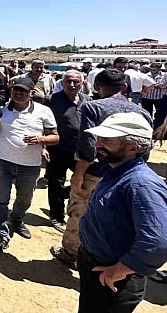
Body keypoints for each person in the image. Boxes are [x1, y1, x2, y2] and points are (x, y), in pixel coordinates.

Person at [51, 69, 152, 269]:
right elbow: (145, 148)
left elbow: (88, 145)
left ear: (97, 87)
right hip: (128, 174)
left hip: (96, 173)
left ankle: (70, 252)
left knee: (79, 212)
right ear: (124, 88)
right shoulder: (143, 112)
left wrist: (79, 174)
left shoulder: (92, 107)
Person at [76, 112, 167, 313]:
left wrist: (118, 271)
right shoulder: (116, 170)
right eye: (99, 138)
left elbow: (157, 243)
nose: (97, 144)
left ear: (133, 148)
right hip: (95, 266)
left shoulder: (141, 184)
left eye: (107, 140)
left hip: (115, 280)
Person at [0, 77, 59, 255]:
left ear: (31, 93)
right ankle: (2, 234)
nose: (18, 93)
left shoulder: (44, 111)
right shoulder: (1, 109)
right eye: (15, 89)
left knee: (25, 199)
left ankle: (16, 219)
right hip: (2, 162)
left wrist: (41, 140)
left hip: (29, 165)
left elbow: (55, 137)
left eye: (23, 90)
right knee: (0, 200)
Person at [46, 70, 88, 233]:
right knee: (56, 182)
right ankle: (56, 216)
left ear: (82, 83)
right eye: (68, 81)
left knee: (85, 180)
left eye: (76, 82)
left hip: (81, 150)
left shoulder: (87, 100)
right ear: (62, 83)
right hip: (58, 149)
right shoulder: (52, 101)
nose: (72, 85)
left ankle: (64, 195)